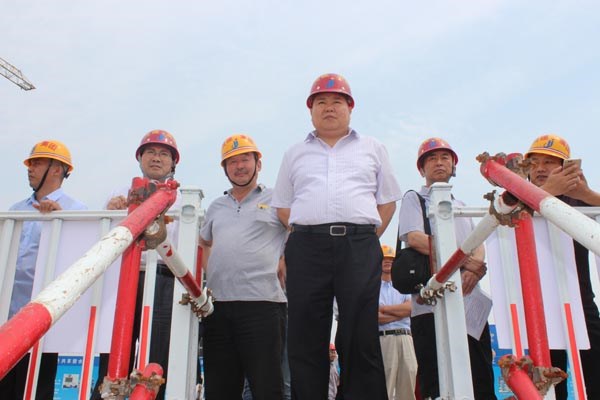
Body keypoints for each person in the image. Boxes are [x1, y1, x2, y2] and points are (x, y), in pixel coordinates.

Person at [272, 73, 401, 399]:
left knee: (360, 333)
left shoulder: (373, 148)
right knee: (305, 335)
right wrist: (305, 234)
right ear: (311, 110)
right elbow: (283, 206)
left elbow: (387, 201)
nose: (329, 108)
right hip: (306, 247)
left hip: (359, 245)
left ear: (350, 107)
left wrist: (366, 236)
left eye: (336, 101)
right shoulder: (294, 153)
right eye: (321, 102)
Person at [397, 137, 496, 400]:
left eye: (445, 158)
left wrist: (473, 270)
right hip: (430, 304)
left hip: (468, 301)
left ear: (453, 166)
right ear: (421, 168)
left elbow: (478, 244)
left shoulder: (461, 206)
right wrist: (464, 261)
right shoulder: (415, 199)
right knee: (437, 381)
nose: (439, 163)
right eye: (431, 159)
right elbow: (415, 238)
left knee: (480, 377)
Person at [92, 129, 181, 400]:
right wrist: (112, 211)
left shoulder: (180, 196)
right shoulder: (120, 193)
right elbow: (101, 233)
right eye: (150, 152)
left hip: (163, 278)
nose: (156, 158)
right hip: (122, 276)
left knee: (158, 354)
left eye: (163, 154)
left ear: (173, 163)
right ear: (140, 158)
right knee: (114, 352)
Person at [199, 134, 288, 400]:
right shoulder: (216, 206)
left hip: (263, 305)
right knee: (219, 389)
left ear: (258, 163)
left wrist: (284, 259)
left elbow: (297, 231)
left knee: (267, 388)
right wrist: (211, 278)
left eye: (245, 159)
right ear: (225, 169)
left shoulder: (278, 199)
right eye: (232, 162)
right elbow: (204, 243)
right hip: (218, 308)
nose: (239, 166)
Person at [0, 140, 87, 399]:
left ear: (57, 169)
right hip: (8, 314)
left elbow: (79, 259)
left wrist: (60, 220)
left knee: (36, 388)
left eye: (37, 163)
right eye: (31, 164)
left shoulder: (76, 211)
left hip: (44, 317)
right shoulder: (16, 210)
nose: (30, 169)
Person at [523, 134, 600, 400]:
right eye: (533, 163)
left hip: (581, 301)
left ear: (566, 167)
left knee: (595, 377)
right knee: (548, 388)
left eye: (548, 162)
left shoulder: (579, 200)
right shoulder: (515, 198)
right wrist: (547, 192)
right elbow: (505, 218)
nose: (540, 168)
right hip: (537, 306)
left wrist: (586, 194)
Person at [379, 244, 418, 400]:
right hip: (383, 338)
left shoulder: (403, 284)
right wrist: (400, 313)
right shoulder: (372, 287)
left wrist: (384, 309)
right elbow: (375, 317)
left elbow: (411, 308)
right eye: (384, 258)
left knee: (408, 386)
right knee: (384, 387)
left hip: (406, 338)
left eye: (391, 259)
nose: (388, 261)